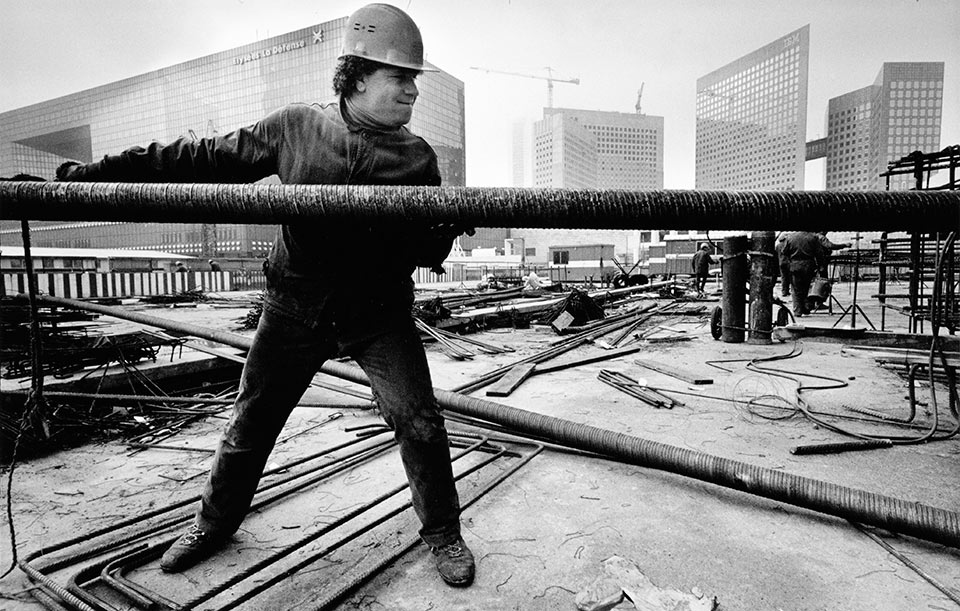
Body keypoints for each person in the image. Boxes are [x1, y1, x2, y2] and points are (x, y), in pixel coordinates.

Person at [56, 3, 475, 587]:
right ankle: (213, 524)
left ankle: (443, 534)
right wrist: (91, 178)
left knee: (421, 424)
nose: (412, 90)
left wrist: (442, 227)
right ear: (356, 75)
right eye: (400, 77)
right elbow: (198, 159)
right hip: (294, 307)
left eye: (412, 79)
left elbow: (429, 258)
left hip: (377, 313)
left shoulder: (418, 158)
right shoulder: (297, 127)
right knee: (251, 423)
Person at [779, 231, 830, 317]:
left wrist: (789, 262)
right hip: (809, 266)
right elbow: (819, 253)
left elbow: (784, 251)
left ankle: (797, 310)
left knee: (795, 289)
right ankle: (806, 308)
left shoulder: (790, 237)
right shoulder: (813, 237)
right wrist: (821, 265)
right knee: (807, 288)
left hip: (794, 265)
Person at [776, 233, 792, 297]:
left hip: (781, 263)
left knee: (783, 277)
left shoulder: (777, 246)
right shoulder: (788, 245)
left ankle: (784, 291)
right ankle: (789, 291)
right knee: (790, 277)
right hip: (788, 262)